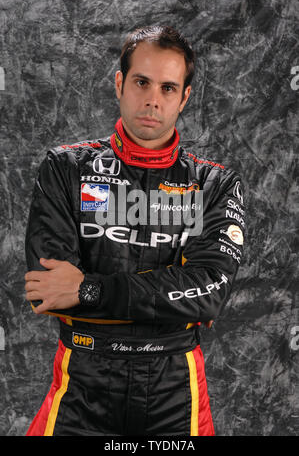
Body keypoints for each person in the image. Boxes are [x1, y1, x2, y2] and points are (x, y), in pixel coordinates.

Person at [24, 25, 245, 436]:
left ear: (184, 98)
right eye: (142, 82)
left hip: (175, 389)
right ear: (120, 83)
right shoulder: (65, 168)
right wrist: (169, 297)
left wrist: (88, 290)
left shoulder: (215, 184)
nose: (152, 100)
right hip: (82, 384)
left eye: (167, 88)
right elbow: (49, 290)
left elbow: (208, 292)